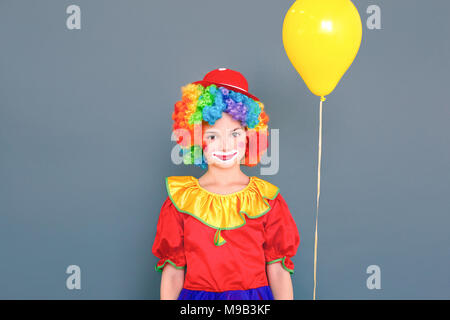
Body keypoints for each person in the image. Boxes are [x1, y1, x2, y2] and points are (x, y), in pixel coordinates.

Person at [152, 68, 300, 300]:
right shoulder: (180, 202)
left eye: (235, 134)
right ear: (196, 138)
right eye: (212, 136)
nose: (225, 146)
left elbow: (279, 271)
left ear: (249, 135)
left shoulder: (268, 201)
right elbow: (172, 273)